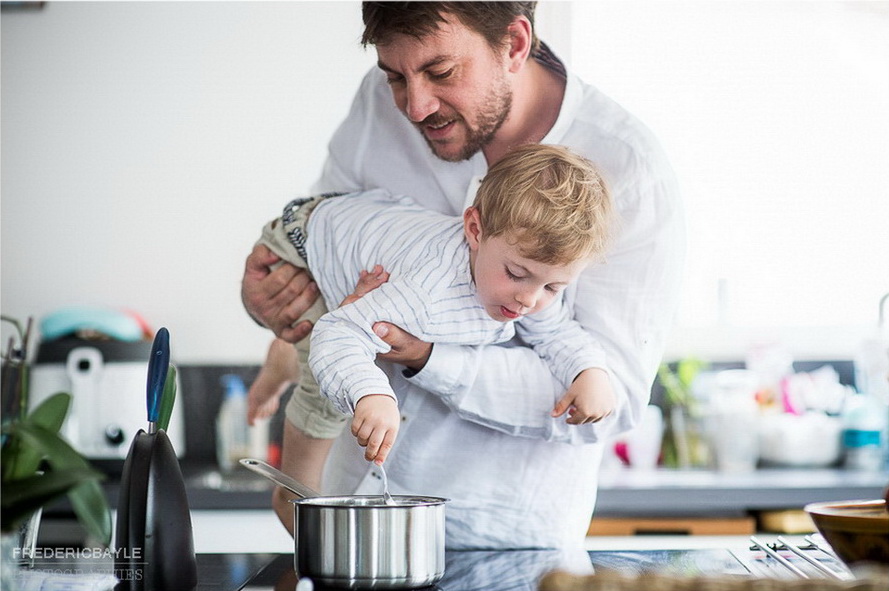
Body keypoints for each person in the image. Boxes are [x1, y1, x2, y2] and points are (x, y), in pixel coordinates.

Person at [241, 2, 685, 550]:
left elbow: (603, 400)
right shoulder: (381, 103)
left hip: (502, 538)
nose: (413, 105)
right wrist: (272, 297)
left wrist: (428, 358)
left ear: (515, 44)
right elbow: (322, 243)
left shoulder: (631, 172)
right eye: (395, 76)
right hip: (356, 509)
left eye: (442, 72)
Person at [250, 144, 616, 468]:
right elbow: (339, 330)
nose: (530, 300)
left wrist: (589, 371)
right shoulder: (427, 290)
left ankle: (283, 359)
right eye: (516, 273)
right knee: (325, 388)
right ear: (475, 230)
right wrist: (372, 394)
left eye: (553, 286)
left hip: (369, 225)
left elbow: (556, 331)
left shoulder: (526, 277)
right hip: (306, 241)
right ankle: (292, 492)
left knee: (338, 340)